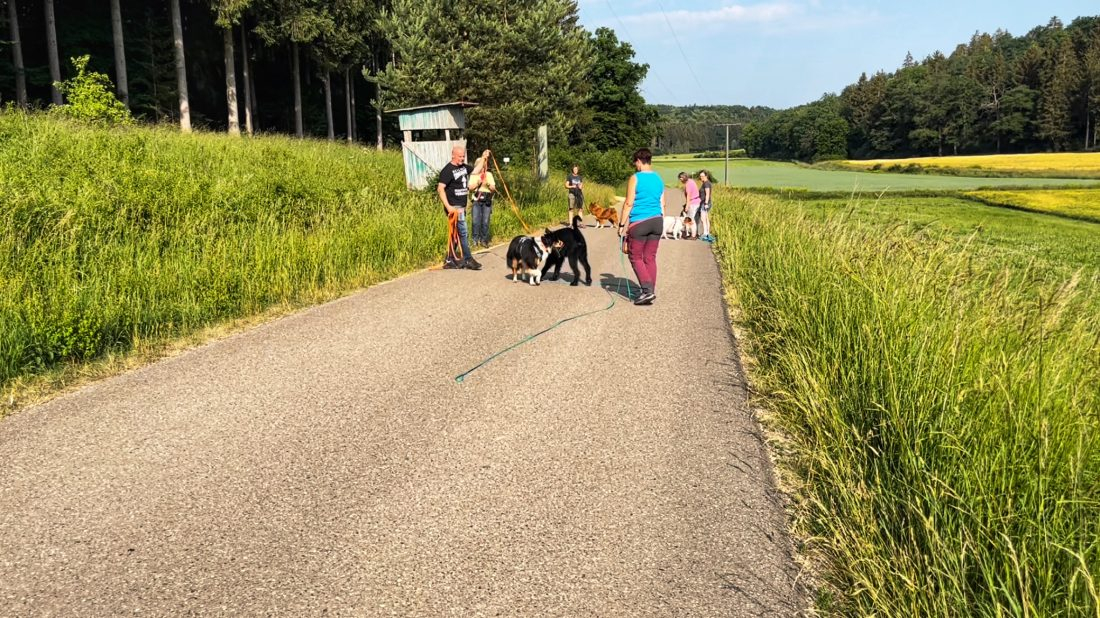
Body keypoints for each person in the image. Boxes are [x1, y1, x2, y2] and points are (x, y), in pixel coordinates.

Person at [618, 148, 665, 306]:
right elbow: (662, 203)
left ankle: (646, 291)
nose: (635, 166)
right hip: (657, 221)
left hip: (640, 222)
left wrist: (621, 225)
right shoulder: (659, 179)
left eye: (635, 163)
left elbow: (629, 203)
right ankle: (650, 289)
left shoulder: (635, 178)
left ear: (639, 161)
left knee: (635, 256)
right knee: (650, 257)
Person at [437, 145, 483, 270]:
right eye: (460, 156)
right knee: (463, 232)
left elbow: (476, 171)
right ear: (453, 155)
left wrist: (484, 158)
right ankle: (468, 259)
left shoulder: (463, 167)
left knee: (456, 234)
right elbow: (440, 189)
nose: (462, 159)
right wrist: (448, 207)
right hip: (454, 207)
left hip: (461, 206)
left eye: (463, 156)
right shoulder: (447, 170)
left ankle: (449, 259)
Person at [468, 151, 497, 246]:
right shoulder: (473, 175)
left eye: (484, 164)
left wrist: (488, 184)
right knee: (476, 221)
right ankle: (475, 240)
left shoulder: (489, 174)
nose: (483, 166)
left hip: (487, 200)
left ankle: (483, 240)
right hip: (477, 200)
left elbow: (493, 189)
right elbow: (470, 187)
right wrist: (479, 182)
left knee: (485, 221)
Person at [678, 171, 701, 238]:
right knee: (693, 219)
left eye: (681, 178)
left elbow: (689, 196)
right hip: (696, 202)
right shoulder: (691, 181)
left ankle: (693, 235)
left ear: (683, 177)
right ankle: (693, 233)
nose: (680, 180)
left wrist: (687, 206)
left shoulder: (688, 184)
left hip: (693, 203)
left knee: (690, 219)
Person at [697, 170, 714, 242]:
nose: (701, 177)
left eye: (702, 176)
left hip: (705, 203)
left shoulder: (706, 184)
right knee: (706, 218)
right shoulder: (705, 183)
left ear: (706, 176)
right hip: (704, 203)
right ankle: (707, 232)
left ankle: (705, 233)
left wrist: (706, 203)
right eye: (700, 176)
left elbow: (707, 194)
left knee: (703, 218)